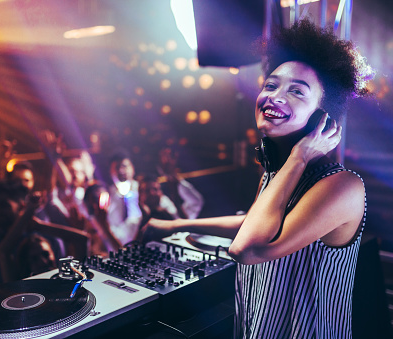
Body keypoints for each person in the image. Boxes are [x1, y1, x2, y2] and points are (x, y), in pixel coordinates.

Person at [142, 18, 373, 339]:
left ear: (322, 117)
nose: (275, 96)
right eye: (271, 85)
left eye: (296, 91)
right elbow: (255, 222)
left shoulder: (342, 186)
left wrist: (299, 156)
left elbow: (247, 249)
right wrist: (172, 226)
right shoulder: (279, 173)